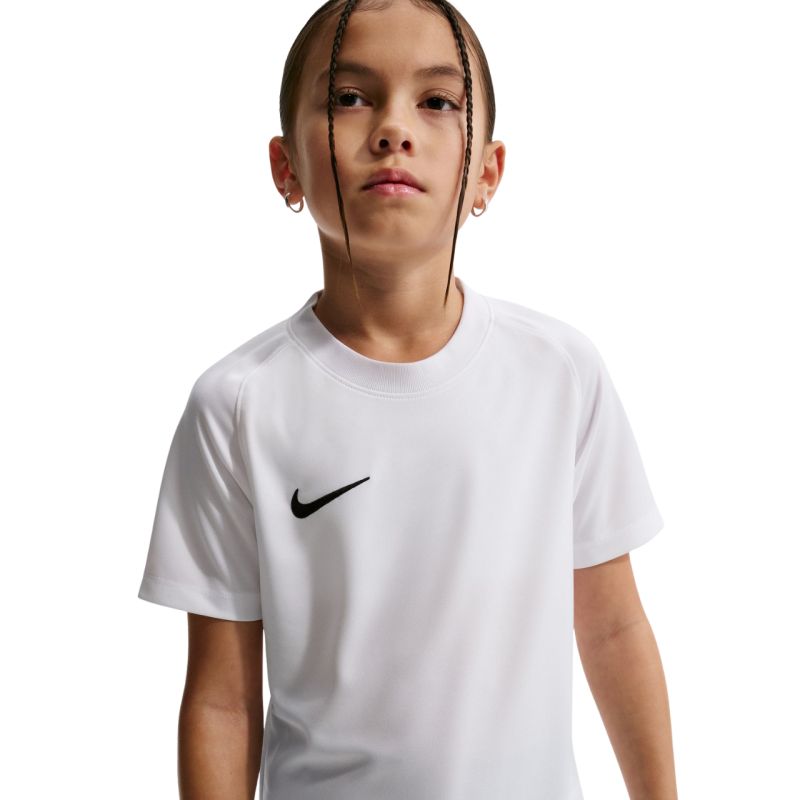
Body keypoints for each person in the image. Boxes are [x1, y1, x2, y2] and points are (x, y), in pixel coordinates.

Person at [137, 1, 678, 798]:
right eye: (350, 97)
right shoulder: (238, 405)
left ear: (486, 172)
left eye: (437, 101)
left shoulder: (560, 373)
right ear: (286, 168)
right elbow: (222, 700)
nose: (394, 128)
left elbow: (612, 626)